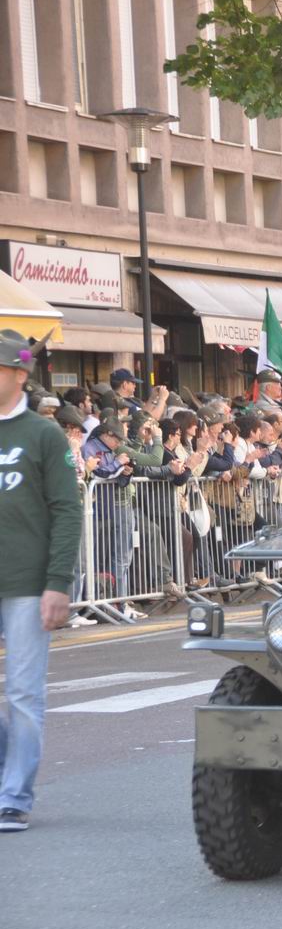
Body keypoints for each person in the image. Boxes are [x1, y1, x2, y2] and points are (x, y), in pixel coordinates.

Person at [0, 330, 84, 833]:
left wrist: (58, 582)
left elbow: (67, 511)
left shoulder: (43, 435)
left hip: (28, 584)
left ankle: (14, 797)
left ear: (18, 374)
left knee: (22, 694)